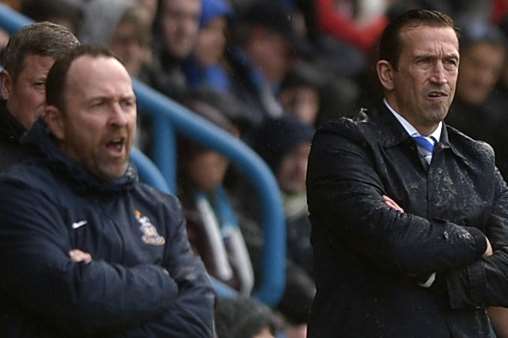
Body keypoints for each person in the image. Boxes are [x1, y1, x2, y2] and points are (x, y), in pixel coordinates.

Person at [306, 9, 508, 338]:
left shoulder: (479, 159)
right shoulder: (345, 144)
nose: (441, 77)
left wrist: (432, 275)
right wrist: (476, 239)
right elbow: (391, 240)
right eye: (425, 61)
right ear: (387, 73)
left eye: (451, 62)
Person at [0, 45, 214, 338]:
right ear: (56, 122)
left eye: (127, 103)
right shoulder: (20, 196)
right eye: (99, 104)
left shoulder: (161, 209)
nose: (119, 119)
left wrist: (99, 293)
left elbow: (197, 326)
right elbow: (70, 298)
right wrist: (161, 281)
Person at [0, 22, 79, 171]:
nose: (54, 102)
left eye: (65, 87)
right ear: (6, 85)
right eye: (41, 85)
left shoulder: (88, 158)